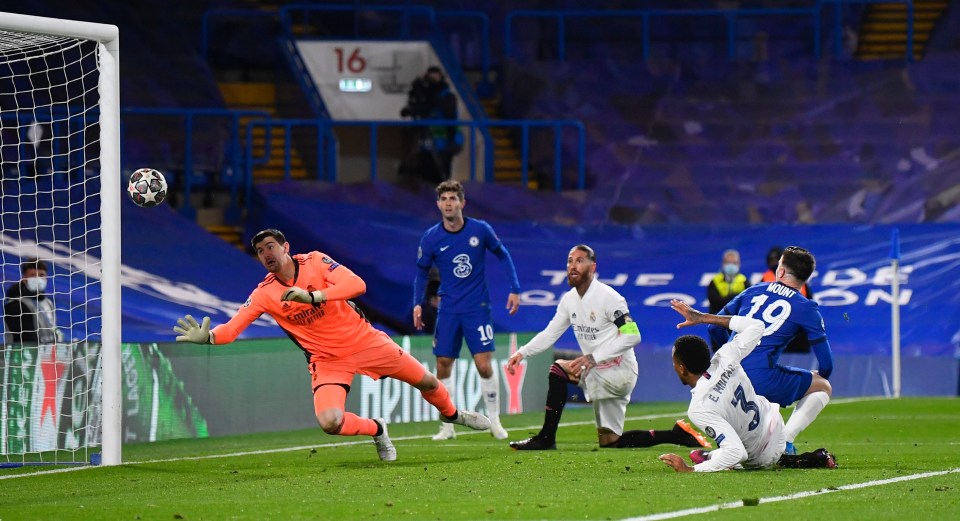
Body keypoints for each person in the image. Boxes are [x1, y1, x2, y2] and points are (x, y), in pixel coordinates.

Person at [173, 228, 491, 462]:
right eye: (260, 251)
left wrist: (314, 296)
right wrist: (210, 337)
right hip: (326, 359)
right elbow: (232, 329)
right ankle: (377, 429)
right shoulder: (264, 294)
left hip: (366, 341)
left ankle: (451, 415)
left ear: (286, 247)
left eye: (271, 246)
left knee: (427, 381)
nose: (266, 254)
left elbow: (357, 285)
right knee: (330, 422)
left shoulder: (315, 262)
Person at [505, 245, 712, 451]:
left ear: (592, 267)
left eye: (579, 260)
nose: (572, 266)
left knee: (559, 369)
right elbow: (550, 334)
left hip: (619, 372)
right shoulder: (569, 300)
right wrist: (522, 353)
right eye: (569, 261)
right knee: (611, 442)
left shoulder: (609, 298)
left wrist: (594, 357)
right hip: (598, 371)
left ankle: (546, 438)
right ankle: (675, 435)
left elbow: (633, 335)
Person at [658, 299, 837, 472]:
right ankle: (709, 455)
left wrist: (690, 469)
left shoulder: (699, 408)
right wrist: (702, 317)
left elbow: (737, 453)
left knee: (732, 455)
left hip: (761, 457)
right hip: (776, 427)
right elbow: (756, 326)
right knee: (733, 443)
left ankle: (710, 457)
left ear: (682, 369)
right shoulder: (726, 355)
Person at [413, 180, 520, 440]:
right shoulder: (431, 238)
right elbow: (421, 272)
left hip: (477, 308)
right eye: (444, 199)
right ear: (438, 205)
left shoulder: (480, 230)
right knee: (443, 363)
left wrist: (514, 288)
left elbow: (503, 254)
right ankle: (447, 426)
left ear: (462, 202)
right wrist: (417, 302)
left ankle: (494, 420)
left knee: (484, 365)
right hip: (448, 309)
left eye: (453, 198)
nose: (448, 203)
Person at [707, 246, 833, 455]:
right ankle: (785, 441)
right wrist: (803, 388)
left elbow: (713, 327)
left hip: (723, 377)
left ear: (781, 271)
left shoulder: (754, 290)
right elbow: (826, 364)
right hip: (761, 377)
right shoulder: (806, 307)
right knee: (823, 387)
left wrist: (730, 356)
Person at [399, 66, 463, 182]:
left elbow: (448, 113)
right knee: (425, 173)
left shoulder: (447, 96)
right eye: (430, 76)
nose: (432, 80)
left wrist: (452, 141)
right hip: (426, 144)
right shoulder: (425, 96)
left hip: (445, 144)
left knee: (441, 175)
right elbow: (417, 111)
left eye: (435, 76)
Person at [761, 245, 813, 354]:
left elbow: (809, 304)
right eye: (771, 261)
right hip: (775, 330)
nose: (775, 263)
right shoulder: (765, 279)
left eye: (777, 260)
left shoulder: (798, 277)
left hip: (797, 330)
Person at [4, 258, 62, 345]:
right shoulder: (15, 305)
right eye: (33, 275)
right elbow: (27, 340)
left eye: (41, 275)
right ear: (24, 279)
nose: (38, 279)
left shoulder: (48, 302)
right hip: (23, 356)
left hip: (46, 355)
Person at [706, 249, 750, 314]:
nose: (731, 266)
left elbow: (748, 302)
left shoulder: (744, 280)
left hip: (737, 318)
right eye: (728, 262)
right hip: (718, 317)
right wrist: (736, 297)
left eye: (734, 263)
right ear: (723, 264)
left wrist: (727, 299)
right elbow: (715, 303)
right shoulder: (715, 281)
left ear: (739, 264)